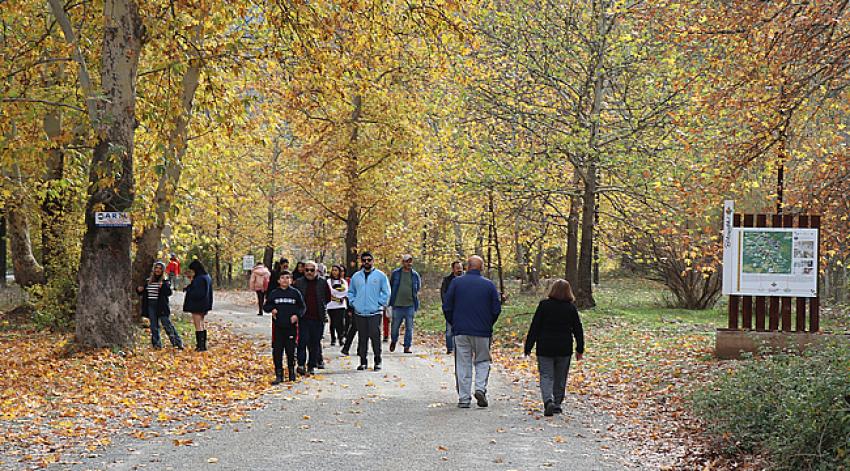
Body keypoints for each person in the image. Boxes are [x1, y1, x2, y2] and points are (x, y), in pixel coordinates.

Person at [442, 255, 501, 408]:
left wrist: (453, 322)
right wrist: (488, 323)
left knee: (462, 363)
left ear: (467, 267)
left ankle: (464, 398)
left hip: (461, 330)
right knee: (482, 360)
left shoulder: (456, 283)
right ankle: (480, 388)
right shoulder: (489, 285)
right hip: (482, 330)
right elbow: (496, 309)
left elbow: (447, 306)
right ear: (481, 268)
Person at [524, 279, 585, 416]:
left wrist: (528, 346)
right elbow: (578, 329)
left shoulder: (544, 305)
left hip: (545, 346)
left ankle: (548, 400)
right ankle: (557, 403)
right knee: (560, 377)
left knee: (546, 375)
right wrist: (580, 348)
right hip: (564, 348)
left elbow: (535, 326)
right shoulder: (570, 308)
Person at [347, 251, 390, 371]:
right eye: (364, 260)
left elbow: (386, 292)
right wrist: (353, 302)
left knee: (375, 337)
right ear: (361, 261)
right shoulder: (356, 276)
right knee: (362, 338)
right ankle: (363, 362)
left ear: (373, 261)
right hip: (360, 312)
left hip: (374, 312)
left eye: (369, 260)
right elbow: (351, 292)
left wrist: (379, 303)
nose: (366, 262)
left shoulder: (380, 276)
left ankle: (377, 361)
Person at [264, 270, 305, 384]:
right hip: (278, 327)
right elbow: (266, 306)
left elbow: (302, 307)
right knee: (277, 351)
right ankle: (279, 374)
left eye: (287, 278)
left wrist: (297, 315)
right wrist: (272, 309)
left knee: (291, 351)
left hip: (291, 326)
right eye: (282, 278)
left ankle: (292, 373)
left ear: (291, 280)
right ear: (278, 280)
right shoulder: (274, 293)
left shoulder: (295, 293)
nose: (285, 280)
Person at [293, 261, 330, 375]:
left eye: (312, 270)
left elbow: (327, 298)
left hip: (318, 317)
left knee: (315, 343)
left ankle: (311, 365)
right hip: (303, 317)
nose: (309, 272)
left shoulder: (323, 282)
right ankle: (301, 364)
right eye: (307, 270)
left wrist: (321, 307)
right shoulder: (298, 283)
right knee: (302, 341)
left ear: (317, 271)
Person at [137, 261, 183, 350]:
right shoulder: (148, 281)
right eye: (156, 268)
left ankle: (177, 343)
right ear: (153, 269)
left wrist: (164, 286)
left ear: (163, 270)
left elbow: (169, 293)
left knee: (167, 325)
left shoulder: (165, 281)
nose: (157, 270)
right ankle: (157, 345)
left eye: (160, 268)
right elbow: (143, 292)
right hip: (151, 305)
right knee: (154, 326)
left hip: (161, 306)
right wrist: (139, 290)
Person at [388, 254, 421, 353]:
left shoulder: (415, 275)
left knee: (409, 327)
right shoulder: (396, 273)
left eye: (410, 261)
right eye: (407, 261)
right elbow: (391, 285)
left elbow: (418, 287)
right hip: (397, 305)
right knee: (394, 327)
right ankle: (394, 341)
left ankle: (407, 346)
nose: (409, 263)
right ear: (403, 262)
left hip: (410, 305)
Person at [183, 259, 214, 352]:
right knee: (201, 324)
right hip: (204, 304)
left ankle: (200, 346)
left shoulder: (200, 279)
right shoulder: (206, 276)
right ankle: (202, 344)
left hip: (197, 305)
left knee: (198, 325)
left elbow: (197, 293)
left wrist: (189, 290)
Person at [440, 261, 464, 354]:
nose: (459, 270)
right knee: (449, 330)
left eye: (460, 268)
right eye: (457, 268)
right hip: (451, 309)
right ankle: (450, 348)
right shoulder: (447, 280)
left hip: (463, 309)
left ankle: (460, 348)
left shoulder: (466, 279)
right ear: (453, 269)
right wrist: (447, 305)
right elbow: (443, 293)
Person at [326, 265, 349, 346]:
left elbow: (346, 292)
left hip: (341, 305)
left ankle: (341, 337)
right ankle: (333, 338)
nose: (334, 272)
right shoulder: (328, 281)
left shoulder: (343, 281)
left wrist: (341, 297)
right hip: (331, 305)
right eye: (333, 270)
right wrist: (337, 298)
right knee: (333, 322)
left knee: (340, 322)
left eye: (336, 270)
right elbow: (329, 292)